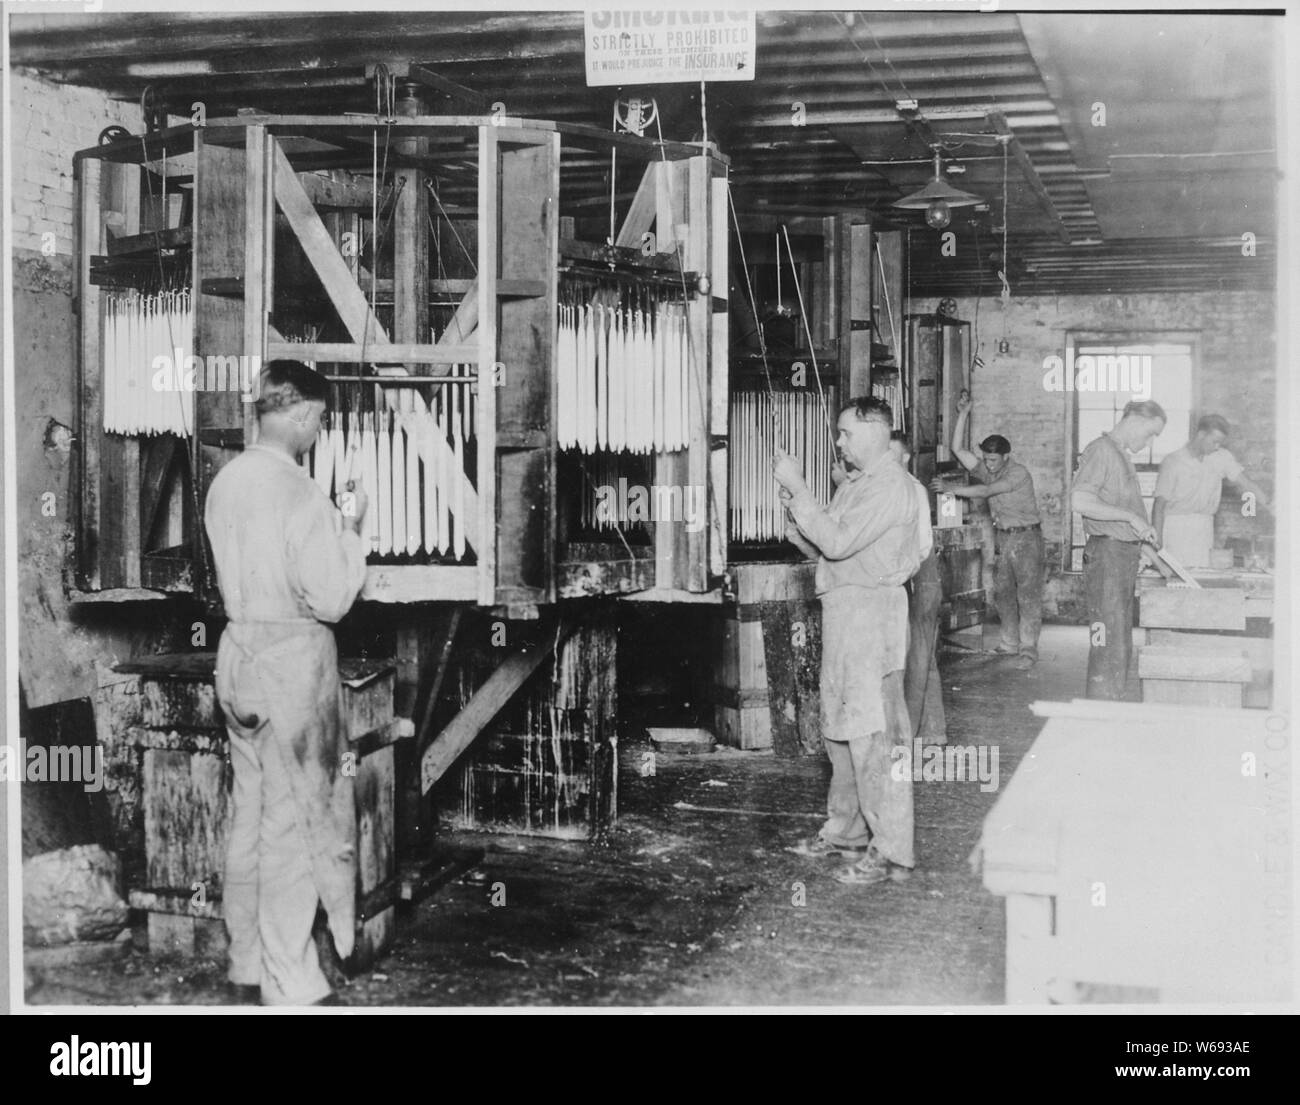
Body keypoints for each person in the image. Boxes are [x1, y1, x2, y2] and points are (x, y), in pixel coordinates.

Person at [204, 360, 370, 1006]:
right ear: (301, 414)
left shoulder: (227, 481)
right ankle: (290, 980)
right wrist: (351, 530)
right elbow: (330, 597)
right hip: (289, 667)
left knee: (247, 816)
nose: (320, 431)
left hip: (237, 656)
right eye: (321, 419)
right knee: (295, 824)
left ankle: (244, 965)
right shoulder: (299, 490)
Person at [776, 397, 920, 886]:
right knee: (840, 730)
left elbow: (839, 544)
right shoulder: (858, 486)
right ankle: (845, 831)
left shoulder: (891, 486)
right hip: (843, 611)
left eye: (845, 433)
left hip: (870, 617)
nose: (838, 443)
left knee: (875, 737)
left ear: (877, 431)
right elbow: (830, 546)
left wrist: (800, 488)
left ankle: (892, 851)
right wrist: (800, 525)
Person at [932, 392, 1043, 670]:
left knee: (1027, 595)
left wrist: (951, 490)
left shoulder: (1017, 473)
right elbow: (958, 449)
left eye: (993, 460)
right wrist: (963, 414)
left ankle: (1029, 649)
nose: (988, 464)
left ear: (1006, 457)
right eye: (986, 459)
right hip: (1004, 537)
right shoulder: (989, 468)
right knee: (1003, 593)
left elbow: (986, 490)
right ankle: (1009, 645)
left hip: (1027, 538)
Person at [1070, 399, 1167, 701]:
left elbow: (1127, 525)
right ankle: (1100, 708)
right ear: (1136, 420)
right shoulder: (1102, 450)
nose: (1149, 441)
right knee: (1107, 639)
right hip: (1107, 559)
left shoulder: (1120, 456)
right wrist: (1131, 517)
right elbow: (1080, 502)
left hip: (1120, 557)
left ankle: (1111, 704)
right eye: (1150, 433)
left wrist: (1155, 559)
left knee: (1118, 639)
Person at [1154, 413, 1271, 568]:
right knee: (1174, 580)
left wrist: (1270, 504)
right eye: (1215, 441)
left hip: (1204, 528)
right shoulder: (1172, 461)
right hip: (1175, 528)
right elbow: (1159, 506)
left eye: (1220, 443)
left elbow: (1246, 483)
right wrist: (1157, 545)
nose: (1217, 447)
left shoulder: (1222, 457)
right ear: (1201, 435)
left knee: (1202, 578)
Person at [890, 431, 946, 746]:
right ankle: (934, 729)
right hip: (913, 574)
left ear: (907, 457)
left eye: (893, 454)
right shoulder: (895, 487)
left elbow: (922, 546)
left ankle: (906, 734)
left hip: (919, 576)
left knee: (914, 655)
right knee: (924, 654)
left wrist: (899, 576)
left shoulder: (912, 488)